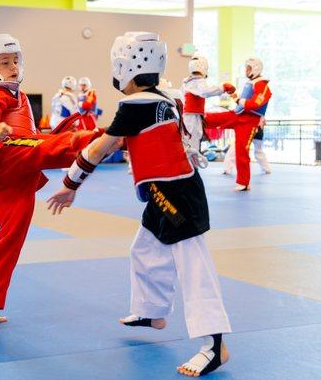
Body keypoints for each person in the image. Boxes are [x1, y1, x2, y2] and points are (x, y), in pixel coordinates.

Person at [47, 32, 232, 377]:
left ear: (124, 67)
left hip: (176, 196)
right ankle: (152, 311)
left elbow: (99, 149)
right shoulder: (165, 96)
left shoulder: (137, 104)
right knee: (144, 249)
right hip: (167, 192)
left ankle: (215, 345)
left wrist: (70, 184)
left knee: (194, 266)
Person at [0, 34, 102, 327]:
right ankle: (111, 136)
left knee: (11, 237)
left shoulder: (19, 94)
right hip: (10, 154)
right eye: (4, 62)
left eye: (15, 60)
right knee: (56, 146)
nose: (13, 66)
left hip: (17, 172)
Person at [205, 57, 272, 191]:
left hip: (249, 121)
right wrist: (233, 95)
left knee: (242, 150)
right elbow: (242, 103)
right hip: (238, 115)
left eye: (248, 68)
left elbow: (255, 104)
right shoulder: (251, 83)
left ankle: (244, 182)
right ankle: (197, 119)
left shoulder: (262, 84)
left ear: (255, 69)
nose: (246, 71)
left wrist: (240, 100)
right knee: (215, 118)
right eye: (246, 68)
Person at [181, 56, 235, 153]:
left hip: (191, 116)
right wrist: (223, 88)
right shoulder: (197, 81)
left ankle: (193, 165)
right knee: (193, 144)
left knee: (192, 142)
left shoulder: (187, 81)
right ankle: (193, 167)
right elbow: (205, 92)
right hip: (192, 118)